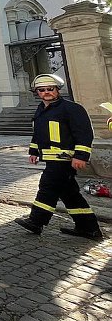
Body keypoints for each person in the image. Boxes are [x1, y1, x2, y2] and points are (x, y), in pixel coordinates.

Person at [15, 74, 103, 240]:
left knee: (47, 186)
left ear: (57, 90)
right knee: (70, 194)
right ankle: (89, 228)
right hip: (51, 159)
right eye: (42, 90)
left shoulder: (72, 109)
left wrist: (81, 156)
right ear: (37, 92)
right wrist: (33, 152)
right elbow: (38, 135)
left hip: (65, 159)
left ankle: (36, 221)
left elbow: (84, 134)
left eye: (50, 89)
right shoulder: (41, 110)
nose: (46, 92)